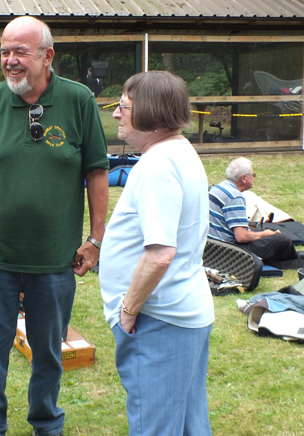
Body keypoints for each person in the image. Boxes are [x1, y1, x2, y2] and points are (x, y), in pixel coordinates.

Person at [0, 16, 109, 436]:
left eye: (20, 52)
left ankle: (46, 424)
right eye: (4, 52)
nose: (10, 61)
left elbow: (97, 173)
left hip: (53, 261)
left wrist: (95, 239)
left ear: (48, 57)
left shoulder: (78, 100)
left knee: (49, 355)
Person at [98, 71, 215, 436]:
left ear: (149, 112)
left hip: (160, 320)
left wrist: (128, 311)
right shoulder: (177, 152)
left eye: (124, 106)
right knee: (188, 424)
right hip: (178, 315)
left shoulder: (159, 164)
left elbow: (160, 254)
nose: (117, 114)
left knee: (156, 428)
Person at [208, 157, 304, 268]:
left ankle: (288, 254)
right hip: (230, 250)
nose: (254, 178)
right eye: (253, 175)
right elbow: (241, 237)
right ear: (244, 178)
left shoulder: (218, 188)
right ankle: (290, 259)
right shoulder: (235, 197)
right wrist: (264, 234)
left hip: (214, 245)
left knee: (264, 231)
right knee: (282, 239)